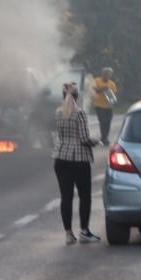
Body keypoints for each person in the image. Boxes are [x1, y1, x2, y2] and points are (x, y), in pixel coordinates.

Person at [53, 82, 100, 245]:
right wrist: (96, 141)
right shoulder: (79, 113)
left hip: (60, 158)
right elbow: (84, 138)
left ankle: (68, 234)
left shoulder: (58, 112)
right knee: (84, 196)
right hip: (79, 159)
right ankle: (84, 231)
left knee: (66, 197)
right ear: (77, 97)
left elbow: (61, 135)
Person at [91, 66, 118, 146]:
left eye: (109, 74)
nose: (107, 75)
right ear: (102, 74)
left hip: (109, 106)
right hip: (99, 105)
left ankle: (104, 137)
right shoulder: (97, 81)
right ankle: (104, 139)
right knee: (103, 121)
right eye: (105, 74)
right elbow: (94, 90)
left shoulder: (112, 84)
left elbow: (114, 95)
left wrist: (114, 101)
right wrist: (103, 89)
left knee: (108, 123)